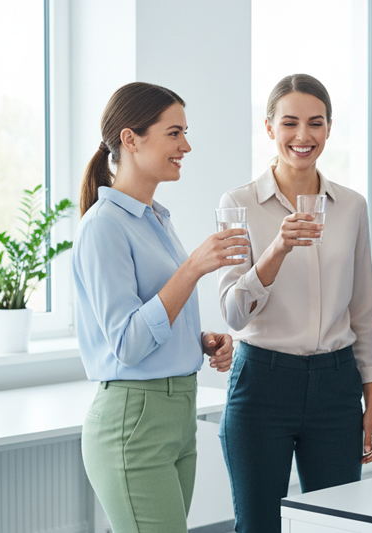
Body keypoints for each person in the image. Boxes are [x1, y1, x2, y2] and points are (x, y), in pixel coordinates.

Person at [73, 82, 249, 533]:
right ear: (130, 139)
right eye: (174, 133)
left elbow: (155, 317)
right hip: (135, 420)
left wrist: (201, 340)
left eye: (184, 133)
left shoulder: (156, 219)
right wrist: (192, 268)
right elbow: (127, 345)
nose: (185, 146)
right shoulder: (103, 228)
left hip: (176, 415)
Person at [217, 73, 372, 533]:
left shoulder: (351, 206)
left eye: (316, 123)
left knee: (336, 524)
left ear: (329, 129)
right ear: (269, 127)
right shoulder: (239, 204)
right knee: (259, 526)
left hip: (336, 387)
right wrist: (276, 248)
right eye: (290, 123)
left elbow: (363, 312)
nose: (303, 136)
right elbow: (233, 312)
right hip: (261, 384)